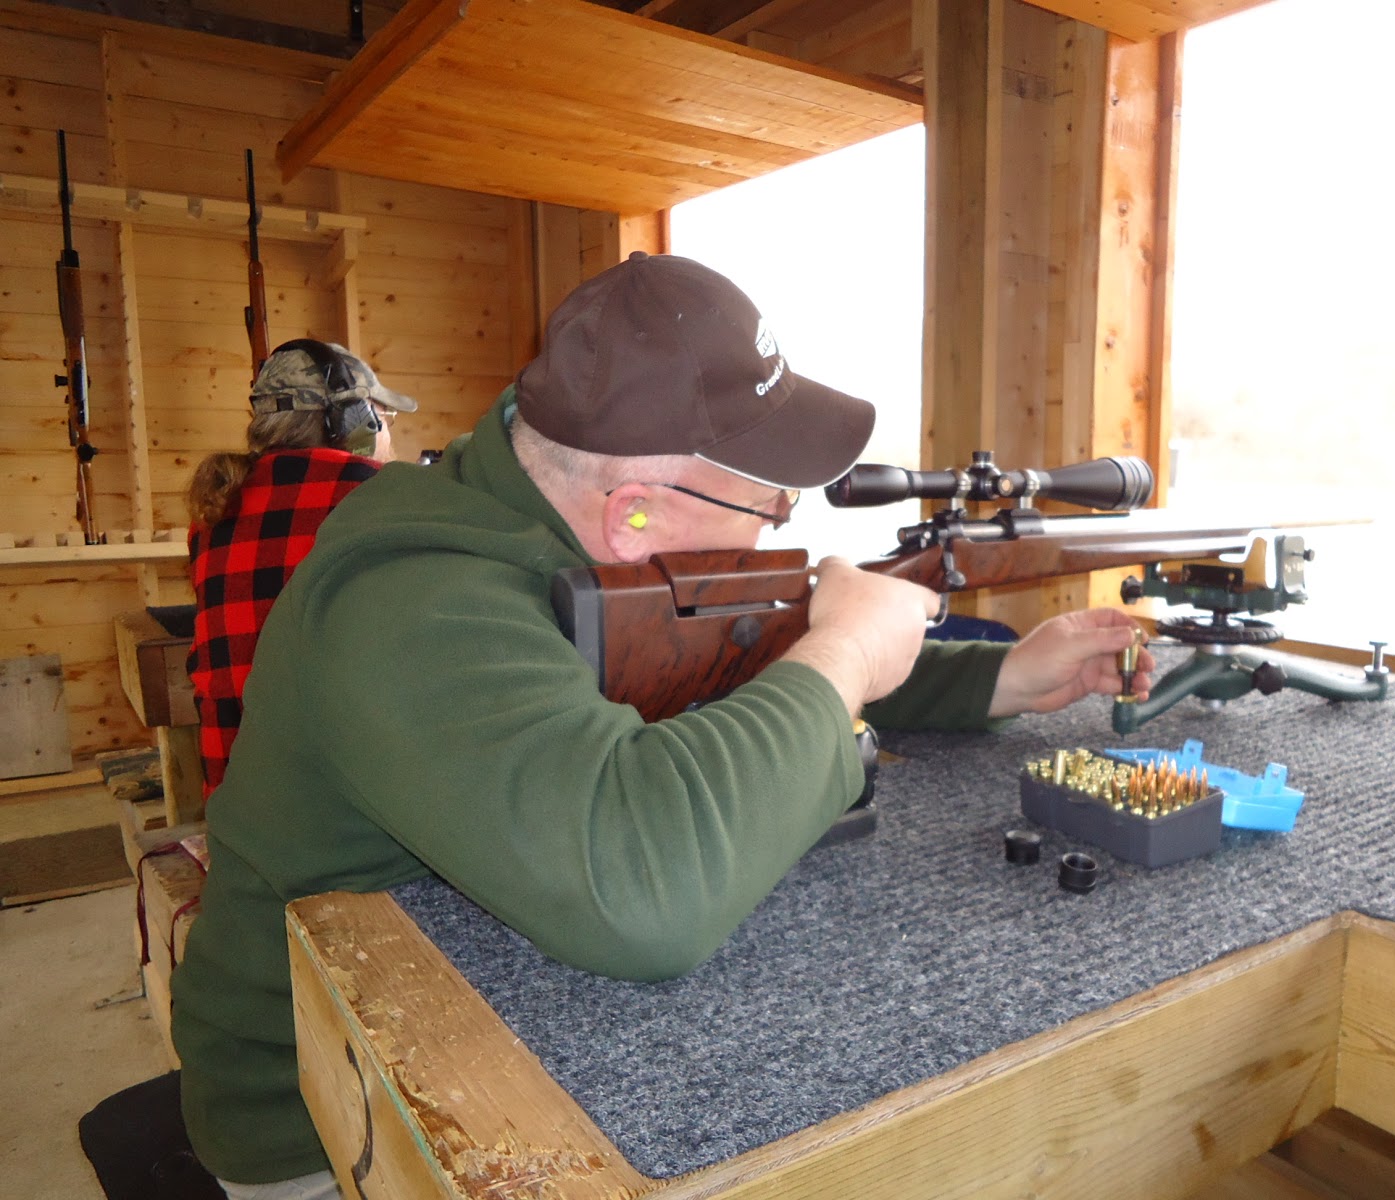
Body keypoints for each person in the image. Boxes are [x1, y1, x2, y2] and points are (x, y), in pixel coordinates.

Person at [170, 253, 1153, 1197]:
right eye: (770, 505)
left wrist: (1004, 681)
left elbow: (734, 655)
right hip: (328, 1115)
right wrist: (843, 655)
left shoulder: (540, 528)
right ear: (633, 516)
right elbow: (642, 894)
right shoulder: (410, 603)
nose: (777, 526)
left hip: (488, 997)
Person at [185, 339, 416, 800]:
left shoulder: (212, 514)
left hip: (238, 807)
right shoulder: (386, 500)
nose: (388, 433)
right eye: (384, 419)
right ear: (358, 423)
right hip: (351, 821)